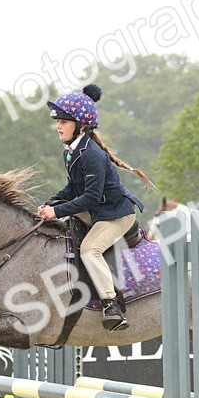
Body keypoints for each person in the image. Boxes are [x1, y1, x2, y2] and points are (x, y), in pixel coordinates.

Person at [37, 84, 152, 332]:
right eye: (58, 120)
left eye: (64, 121)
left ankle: (111, 305)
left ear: (81, 125)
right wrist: (51, 203)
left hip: (116, 214)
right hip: (99, 209)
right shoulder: (72, 151)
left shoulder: (90, 154)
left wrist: (57, 211)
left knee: (90, 250)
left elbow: (89, 197)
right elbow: (71, 188)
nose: (58, 125)